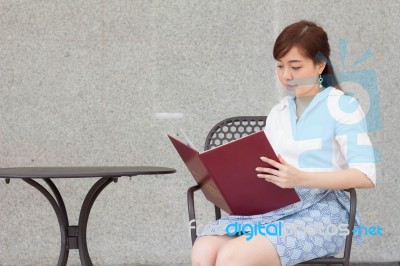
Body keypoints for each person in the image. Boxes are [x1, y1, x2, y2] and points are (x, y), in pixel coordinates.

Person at [191, 20, 376, 266]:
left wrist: (301, 178)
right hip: (274, 208)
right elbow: (265, 166)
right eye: (280, 66)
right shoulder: (279, 112)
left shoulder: (342, 107)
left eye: (295, 66)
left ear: (320, 65)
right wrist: (221, 175)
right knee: (204, 248)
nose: (286, 75)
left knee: (233, 256)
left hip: (323, 213)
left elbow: (366, 176)